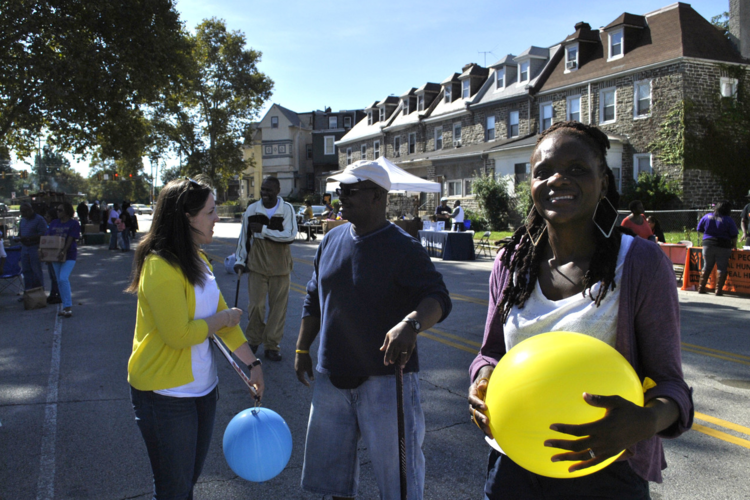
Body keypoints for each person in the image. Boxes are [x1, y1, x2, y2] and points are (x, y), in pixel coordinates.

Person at [468, 122, 693, 499]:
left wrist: (644, 421)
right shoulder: (511, 263)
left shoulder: (639, 262)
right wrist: (480, 381)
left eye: (577, 169)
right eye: (543, 171)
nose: (558, 179)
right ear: (532, 185)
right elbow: (490, 354)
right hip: (513, 467)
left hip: (605, 472)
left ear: (603, 182)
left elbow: (670, 384)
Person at [295, 160, 452, 500]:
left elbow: (438, 298)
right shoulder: (331, 239)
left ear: (378, 197)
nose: (341, 196)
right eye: (340, 190)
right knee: (333, 483)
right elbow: (314, 298)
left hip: (386, 383)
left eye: (351, 191)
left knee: (399, 483)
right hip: (331, 379)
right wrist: (302, 348)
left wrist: (411, 324)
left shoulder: (403, 247)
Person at [127, 177, 265, 499]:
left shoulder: (199, 260)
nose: (217, 218)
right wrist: (222, 318)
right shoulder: (159, 266)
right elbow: (179, 334)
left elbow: (226, 325)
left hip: (203, 391)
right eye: (211, 211)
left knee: (187, 482)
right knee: (174, 488)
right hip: (164, 395)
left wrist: (253, 363)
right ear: (187, 218)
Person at [233, 176, 297, 361]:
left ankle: (272, 345)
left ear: (278, 191)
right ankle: (253, 340)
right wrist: (240, 260)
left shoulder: (287, 209)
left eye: (269, 190)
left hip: (281, 267)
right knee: (256, 306)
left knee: (278, 309)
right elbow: (244, 238)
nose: (265, 193)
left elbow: (290, 235)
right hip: (257, 265)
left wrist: (264, 231)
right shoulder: (252, 210)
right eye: (263, 189)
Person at [43, 202, 80, 317]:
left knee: (63, 278)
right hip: (55, 256)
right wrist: (44, 251)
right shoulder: (54, 223)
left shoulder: (74, 224)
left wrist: (64, 250)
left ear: (67, 212)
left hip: (69, 255)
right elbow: (48, 237)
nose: (57, 212)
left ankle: (68, 307)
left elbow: (70, 238)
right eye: (57, 210)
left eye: (60, 210)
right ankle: (64, 306)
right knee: (59, 280)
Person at [697, 200, 738, 296]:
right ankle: (718, 290)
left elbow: (699, 228)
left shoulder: (706, 216)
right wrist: (734, 245)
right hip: (723, 246)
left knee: (707, 266)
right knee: (722, 267)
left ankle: (701, 287)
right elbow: (734, 235)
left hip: (708, 244)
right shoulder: (728, 220)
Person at [17, 202, 47, 293]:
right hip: (24, 247)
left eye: (24, 212)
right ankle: (28, 292)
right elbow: (20, 233)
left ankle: (39, 292)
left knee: (36, 271)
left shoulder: (39, 219)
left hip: (35, 247)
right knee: (26, 271)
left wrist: (29, 238)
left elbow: (43, 234)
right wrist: (19, 238)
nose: (23, 214)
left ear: (30, 210)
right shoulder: (23, 220)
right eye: (21, 212)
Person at [43, 207, 62, 305]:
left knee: (56, 276)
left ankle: (59, 294)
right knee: (52, 276)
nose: (46, 218)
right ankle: (53, 293)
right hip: (50, 254)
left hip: (55, 253)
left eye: (48, 216)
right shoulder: (49, 226)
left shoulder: (55, 227)